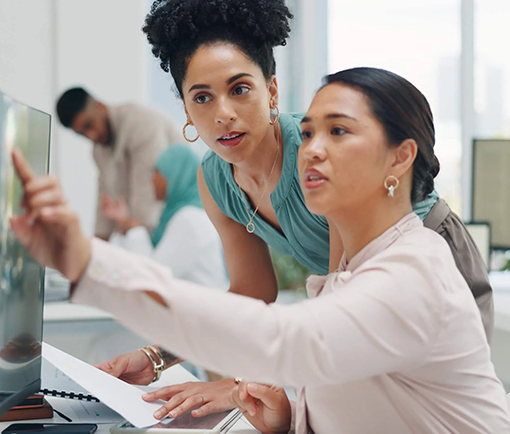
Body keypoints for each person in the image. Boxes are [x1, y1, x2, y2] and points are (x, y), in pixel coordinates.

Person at [11, 67, 510, 434]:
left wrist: (88, 263)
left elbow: (291, 343)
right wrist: (287, 419)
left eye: (337, 131)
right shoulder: (343, 274)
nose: (311, 148)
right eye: (309, 131)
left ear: (400, 157)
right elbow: (363, 402)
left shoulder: (415, 267)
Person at [83, 0, 493, 420]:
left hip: (420, 255)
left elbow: (326, 319)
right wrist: (157, 357)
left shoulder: (315, 159)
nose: (223, 114)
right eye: (202, 98)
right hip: (346, 297)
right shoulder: (215, 180)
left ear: (272, 91)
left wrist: (239, 385)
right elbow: (252, 291)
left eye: (239, 89)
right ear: (187, 112)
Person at [56, 87, 181, 240]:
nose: (91, 136)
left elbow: (147, 191)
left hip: (182, 219)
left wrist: (138, 242)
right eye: (82, 133)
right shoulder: (98, 150)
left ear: (100, 106)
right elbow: (105, 197)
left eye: (89, 125)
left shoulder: (140, 123)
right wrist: (97, 249)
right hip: (154, 228)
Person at [101, 145, 228, 289]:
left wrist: (136, 231)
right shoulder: (181, 214)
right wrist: (124, 222)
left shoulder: (190, 220)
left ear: (176, 175)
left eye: (157, 171)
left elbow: (153, 277)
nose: (152, 179)